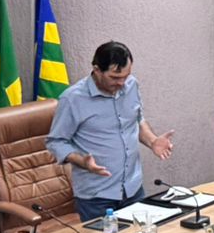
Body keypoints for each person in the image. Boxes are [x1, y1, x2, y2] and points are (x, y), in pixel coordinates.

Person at [46, 41, 175, 223]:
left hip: (132, 188)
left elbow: (136, 121)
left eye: (125, 76)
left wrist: (152, 141)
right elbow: (56, 142)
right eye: (114, 77)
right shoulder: (72, 99)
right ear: (97, 70)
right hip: (96, 196)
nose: (121, 83)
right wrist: (82, 162)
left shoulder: (132, 85)